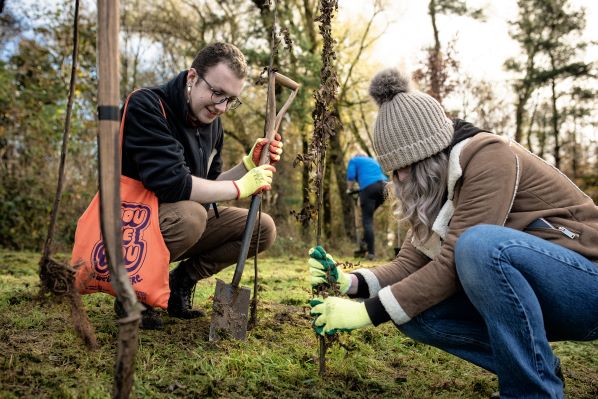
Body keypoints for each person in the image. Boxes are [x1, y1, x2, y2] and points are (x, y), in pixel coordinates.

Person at [308, 68, 598, 398]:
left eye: (403, 166)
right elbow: (408, 265)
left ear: (427, 155)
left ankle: (531, 391)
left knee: (480, 246)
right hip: (539, 294)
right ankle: (535, 367)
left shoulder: (490, 157)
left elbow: (450, 265)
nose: (399, 178)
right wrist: (349, 282)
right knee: (414, 312)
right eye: (393, 170)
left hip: (586, 285)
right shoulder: (439, 191)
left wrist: (367, 313)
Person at [116, 42, 283, 329]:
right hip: (127, 228)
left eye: (231, 100)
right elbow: (173, 185)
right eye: (217, 93)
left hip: (177, 219)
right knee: (191, 217)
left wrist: (247, 165)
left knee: (261, 227)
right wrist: (239, 187)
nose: (221, 107)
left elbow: (207, 189)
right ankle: (133, 294)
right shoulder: (147, 105)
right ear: (192, 78)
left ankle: (180, 282)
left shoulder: (212, 124)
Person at [346, 152, 388, 260]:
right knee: (368, 216)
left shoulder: (354, 160)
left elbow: (351, 176)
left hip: (368, 188)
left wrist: (350, 189)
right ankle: (365, 241)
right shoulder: (373, 160)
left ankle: (371, 253)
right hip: (384, 188)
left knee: (367, 220)